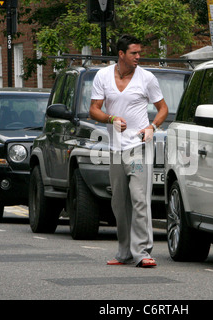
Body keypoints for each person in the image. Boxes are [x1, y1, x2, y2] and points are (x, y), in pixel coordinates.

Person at [89, 34, 168, 268]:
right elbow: (94, 109)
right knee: (119, 202)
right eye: (133, 53)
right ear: (121, 54)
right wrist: (110, 117)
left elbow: (162, 108)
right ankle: (124, 252)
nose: (138, 57)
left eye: (139, 52)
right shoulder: (102, 76)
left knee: (139, 198)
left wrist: (152, 127)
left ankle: (142, 251)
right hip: (115, 149)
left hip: (139, 147)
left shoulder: (147, 78)